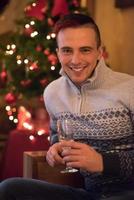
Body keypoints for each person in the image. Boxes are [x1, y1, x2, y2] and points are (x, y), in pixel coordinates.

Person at [0, 13, 134, 200]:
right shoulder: (52, 93)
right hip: (90, 195)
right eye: (67, 50)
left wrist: (102, 162)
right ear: (57, 53)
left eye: (85, 50)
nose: (76, 60)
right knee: (9, 189)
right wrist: (56, 149)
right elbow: (58, 138)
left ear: (99, 51)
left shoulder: (130, 88)